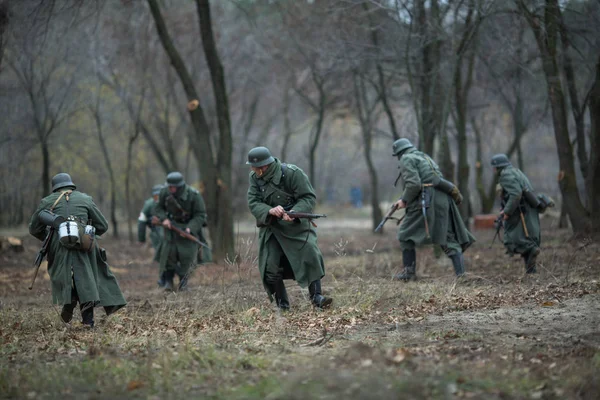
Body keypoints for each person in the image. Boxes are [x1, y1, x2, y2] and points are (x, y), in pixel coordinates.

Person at [28, 173, 126, 328]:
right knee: (87, 279)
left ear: (55, 187)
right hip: (85, 244)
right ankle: (88, 321)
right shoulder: (85, 199)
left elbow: (34, 229)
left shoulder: (47, 201)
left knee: (63, 275)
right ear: (71, 185)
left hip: (58, 246)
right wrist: (87, 234)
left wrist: (52, 238)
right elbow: (103, 225)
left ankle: (71, 298)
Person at [246, 146, 332, 310]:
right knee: (269, 266)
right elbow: (253, 202)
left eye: (255, 167)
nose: (252, 169)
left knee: (310, 254)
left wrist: (293, 212)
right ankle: (282, 306)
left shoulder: (293, 173)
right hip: (272, 226)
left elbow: (308, 197)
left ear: (264, 167)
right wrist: (269, 210)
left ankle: (317, 297)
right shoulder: (255, 178)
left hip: (296, 225)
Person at [391, 138, 476, 280]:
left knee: (405, 235)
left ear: (399, 153)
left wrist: (404, 200)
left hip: (426, 200)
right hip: (442, 199)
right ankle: (461, 276)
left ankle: (409, 274)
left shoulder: (406, 158)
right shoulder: (423, 156)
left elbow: (413, 185)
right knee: (447, 236)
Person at [155, 171, 207, 291]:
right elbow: (158, 208)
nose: (170, 189)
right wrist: (165, 219)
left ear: (179, 186)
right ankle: (168, 281)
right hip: (171, 227)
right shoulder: (164, 192)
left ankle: (183, 283)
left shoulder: (194, 195)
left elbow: (200, 215)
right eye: (169, 186)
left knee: (187, 256)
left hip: (187, 228)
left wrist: (190, 228)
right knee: (169, 254)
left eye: (172, 187)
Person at [491, 154, 541, 273]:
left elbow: (515, 194)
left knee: (514, 239)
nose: (493, 170)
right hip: (526, 209)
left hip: (520, 211)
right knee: (526, 236)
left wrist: (507, 212)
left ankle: (532, 251)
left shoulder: (505, 175)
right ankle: (531, 271)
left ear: (498, 167)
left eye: (494, 167)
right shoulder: (516, 171)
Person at [138, 184, 165, 287]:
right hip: (156, 234)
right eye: (156, 196)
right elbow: (141, 221)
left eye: (160, 196)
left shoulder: (168, 203)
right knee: (162, 255)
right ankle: (163, 278)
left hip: (171, 232)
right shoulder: (149, 204)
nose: (158, 198)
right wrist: (141, 238)